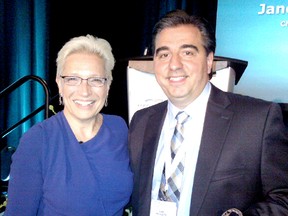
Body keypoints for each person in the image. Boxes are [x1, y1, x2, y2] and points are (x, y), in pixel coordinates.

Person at [128, 9, 288, 216]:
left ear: (209, 60)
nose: (174, 65)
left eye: (187, 53)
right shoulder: (141, 121)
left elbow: (283, 197)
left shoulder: (258, 120)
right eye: (164, 54)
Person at [5, 34, 133, 215]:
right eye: (73, 79)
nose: (85, 91)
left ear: (108, 85)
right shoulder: (37, 141)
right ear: (59, 84)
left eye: (95, 80)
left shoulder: (119, 128)